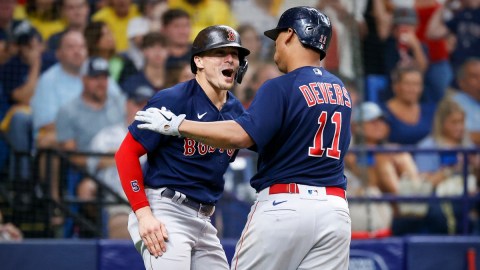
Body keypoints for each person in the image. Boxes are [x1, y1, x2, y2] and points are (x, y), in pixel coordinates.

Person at [135, 6, 352, 270]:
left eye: (277, 37)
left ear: (290, 35)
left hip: (285, 205)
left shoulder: (280, 85)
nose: (275, 47)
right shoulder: (340, 89)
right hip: (336, 209)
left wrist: (178, 125)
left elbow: (239, 135)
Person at [115, 25, 250, 269]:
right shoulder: (173, 99)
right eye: (220, 53)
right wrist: (143, 214)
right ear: (198, 61)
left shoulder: (237, 112)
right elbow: (126, 154)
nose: (231, 59)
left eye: (235, 54)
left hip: (204, 219)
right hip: (166, 209)